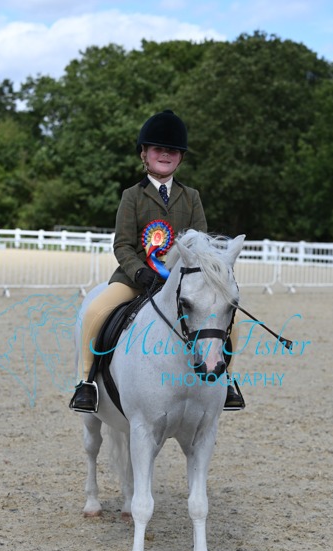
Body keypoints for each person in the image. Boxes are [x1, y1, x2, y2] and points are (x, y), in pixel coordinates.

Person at [69, 109, 244, 412]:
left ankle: (226, 379)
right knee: (95, 312)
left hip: (182, 283)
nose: (165, 154)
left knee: (233, 320)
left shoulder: (191, 197)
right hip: (136, 279)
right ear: (144, 154)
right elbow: (123, 245)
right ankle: (86, 382)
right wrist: (139, 272)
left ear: (180, 158)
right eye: (158, 149)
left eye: (172, 151)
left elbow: (201, 246)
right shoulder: (132, 196)